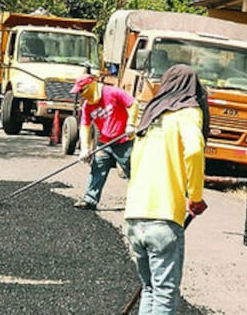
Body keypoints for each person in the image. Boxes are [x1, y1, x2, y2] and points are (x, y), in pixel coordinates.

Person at [125, 64, 208, 314]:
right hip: (163, 219)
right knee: (164, 294)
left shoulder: (150, 116)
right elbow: (193, 150)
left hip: (134, 218)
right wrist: (195, 197)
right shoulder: (187, 112)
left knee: (150, 289)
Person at [72, 74, 139, 210]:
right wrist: (84, 148)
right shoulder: (87, 106)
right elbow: (85, 126)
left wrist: (131, 124)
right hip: (104, 142)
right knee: (97, 168)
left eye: (81, 91)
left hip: (124, 142)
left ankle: (141, 202)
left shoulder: (112, 92)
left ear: (90, 86)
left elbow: (133, 104)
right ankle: (90, 199)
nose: (81, 95)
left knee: (133, 171)